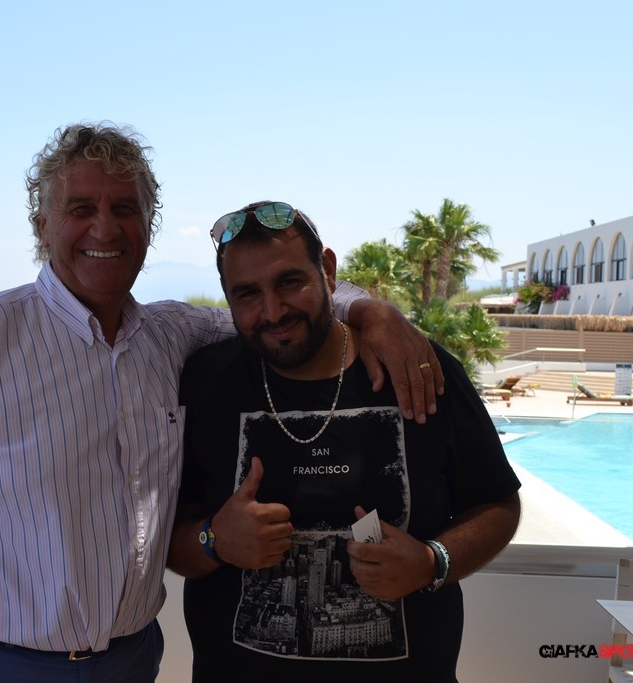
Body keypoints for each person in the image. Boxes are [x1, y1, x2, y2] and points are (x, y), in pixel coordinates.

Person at [0, 124, 444, 683]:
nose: (105, 229)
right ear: (43, 227)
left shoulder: (170, 336)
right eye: (82, 209)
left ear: (148, 227)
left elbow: (275, 309)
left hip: (131, 662)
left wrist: (372, 311)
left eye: (125, 209)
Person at [168, 201, 521, 682]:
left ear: (328, 271)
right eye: (247, 293)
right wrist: (214, 540)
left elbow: (498, 504)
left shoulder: (418, 370)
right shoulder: (205, 384)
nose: (273, 311)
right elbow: (168, 538)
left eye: (289, 282)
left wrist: (429, 562)